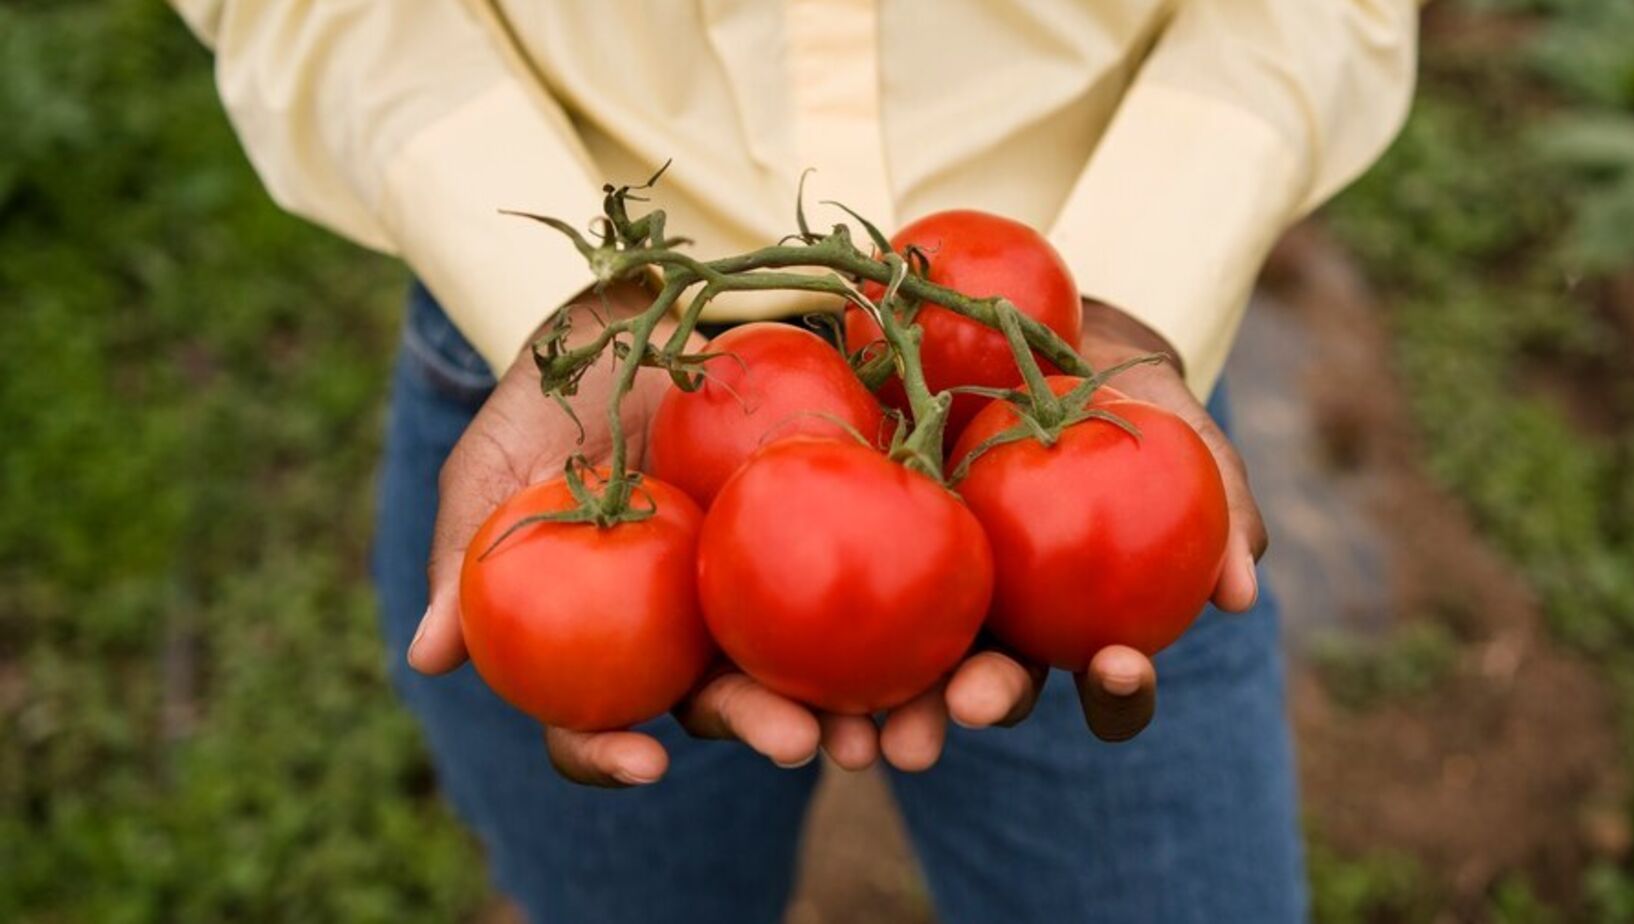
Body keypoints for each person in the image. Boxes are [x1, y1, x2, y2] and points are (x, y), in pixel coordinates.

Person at [172, 1, 1418, 920]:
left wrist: (1145, 289)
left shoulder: (1080, 421)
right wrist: (551, 279)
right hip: (581, 392)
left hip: (1060, 364)